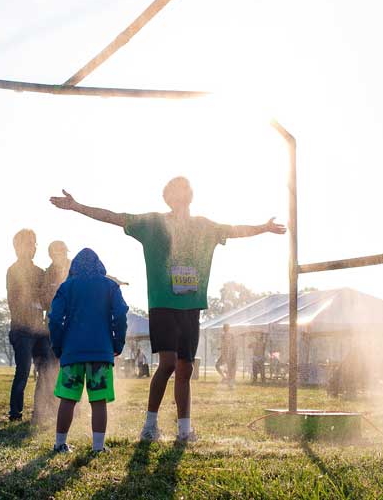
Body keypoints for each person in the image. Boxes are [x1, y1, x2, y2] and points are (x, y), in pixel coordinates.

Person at [50, 176, 285, 443]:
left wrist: (264, 228)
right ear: (167, 198)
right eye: (173, 190)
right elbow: (113, 217)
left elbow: (234, 230)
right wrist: (77, 206)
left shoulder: (204, 226)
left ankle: (185, 429)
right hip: (162, 304)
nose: (179, 194)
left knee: (185, 368)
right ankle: (150, 425)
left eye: (183, 188)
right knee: (169, 364)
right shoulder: (152, 224)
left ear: (190, 195)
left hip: (192, 305)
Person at [48, 248, 128, 453]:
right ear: (99, 265)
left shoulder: (66, 287)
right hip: (101, 352)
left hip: (72, 352)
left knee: (68, 399)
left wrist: (58, 347)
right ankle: (98, 447)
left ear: (74, 267)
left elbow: (55, 319)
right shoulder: (110, 286)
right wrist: (117, 344)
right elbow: (120, 316)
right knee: (98, 401)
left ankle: (59, 444)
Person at [6, 229, 47, 422]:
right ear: (17, 247)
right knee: (23, 370)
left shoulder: (40, 272)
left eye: (33, 243)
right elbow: (15, 301)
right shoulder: (13, 271)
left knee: (44, 370)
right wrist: (34, 301)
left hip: (39, 329)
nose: (32, 247)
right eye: (27, 243)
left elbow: (45, 298)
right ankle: (16, 413)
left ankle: (39, 412)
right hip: (22, 329)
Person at [33, 241, 71, 425]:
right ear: (51, 255)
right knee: (47, 369)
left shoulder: (73, 269)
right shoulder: (48, 274)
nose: (61, 255)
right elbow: (44, 299)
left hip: (71, 327)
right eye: (57, 252)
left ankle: (71, 407)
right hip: (52, 327)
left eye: (63, 251)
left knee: (69, 368)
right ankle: (41, 410)